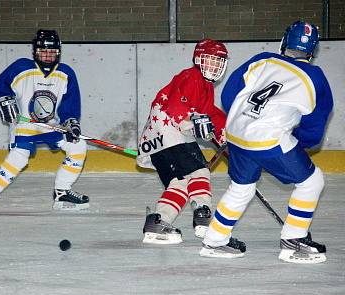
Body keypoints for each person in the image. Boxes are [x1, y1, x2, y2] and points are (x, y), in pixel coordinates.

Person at [200, 21, 333, 264]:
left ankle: (215, 240)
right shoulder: (315, 77)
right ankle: (294, 241)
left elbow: (230, 93)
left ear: (284, 42)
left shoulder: (262, 60)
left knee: (242, 188)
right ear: (312, 51)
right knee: (312, 181)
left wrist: (241, 122)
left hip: (238, 133)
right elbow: (314, 126)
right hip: (269, 139)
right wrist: (298, 143)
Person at [0, 29, 89, 215]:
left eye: (52, 52)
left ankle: (62, 192)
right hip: (24, 126)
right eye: (43, 51)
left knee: (78, 147)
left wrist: (71, 122)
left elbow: (70, 104)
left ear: (58, 52)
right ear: (35, 51)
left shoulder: (66, 73)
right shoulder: (21, 67)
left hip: (52, 126)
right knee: (19, 158)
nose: (48, 55)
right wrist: (3, 102)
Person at [137, 39, 228, 244]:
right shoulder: (191, 77)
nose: (214, 66)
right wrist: (191, 121)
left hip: (156, 142)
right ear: (198, 59)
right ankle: (203, 214)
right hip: (169, 133)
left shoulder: (205, 87)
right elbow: (177, 105)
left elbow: (210, 115)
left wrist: (224, 134)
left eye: (218, 62)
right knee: (200, 171)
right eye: (210, 60)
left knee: (179, 184)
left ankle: (158, 222)